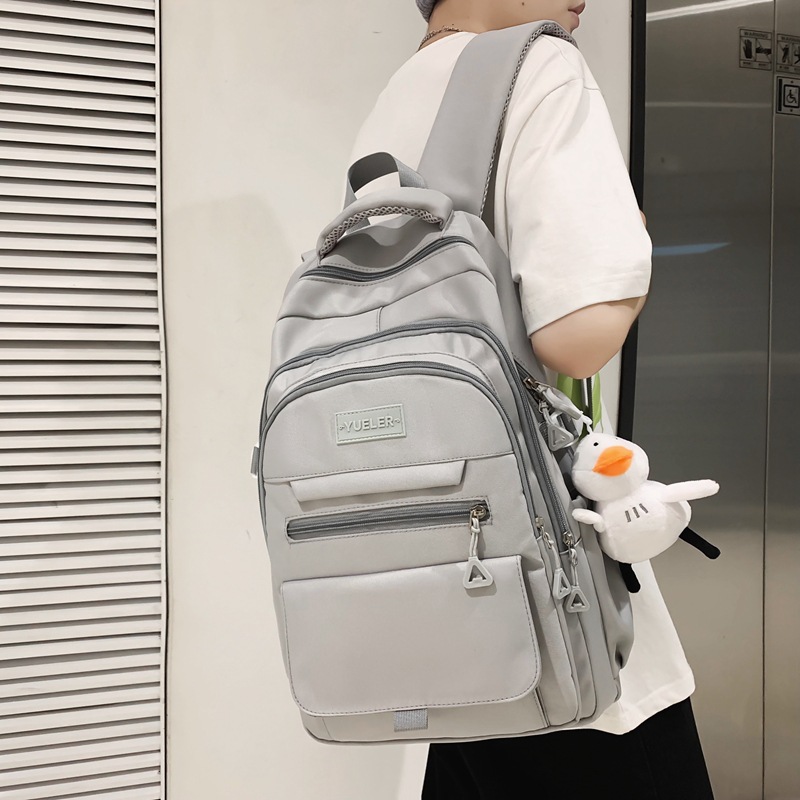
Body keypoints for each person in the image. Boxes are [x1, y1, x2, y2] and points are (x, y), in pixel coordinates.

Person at [346, 1, 716, 798]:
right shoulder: (538, 66)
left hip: (426, 577)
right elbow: (576, 338)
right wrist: (632, 247)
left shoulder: (402, 90)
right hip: (548, 587)